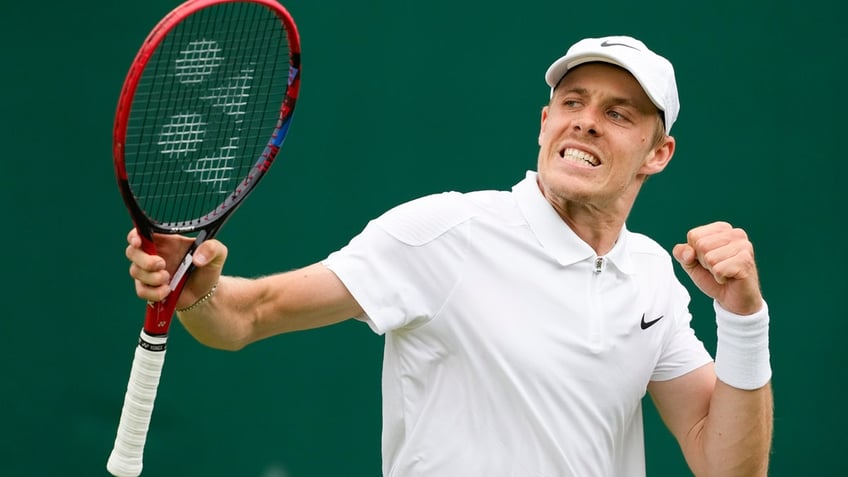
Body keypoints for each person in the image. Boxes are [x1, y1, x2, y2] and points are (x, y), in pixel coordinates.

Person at [125, 35, 773, 476]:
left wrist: (745, 319)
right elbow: (249, 314)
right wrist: (199, 287)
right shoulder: (443, 234)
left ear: (658, 153)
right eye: (572, 103)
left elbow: (727, 465)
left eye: (618, 112)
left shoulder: (653, 274)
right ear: (545, 121)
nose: (585, 121)